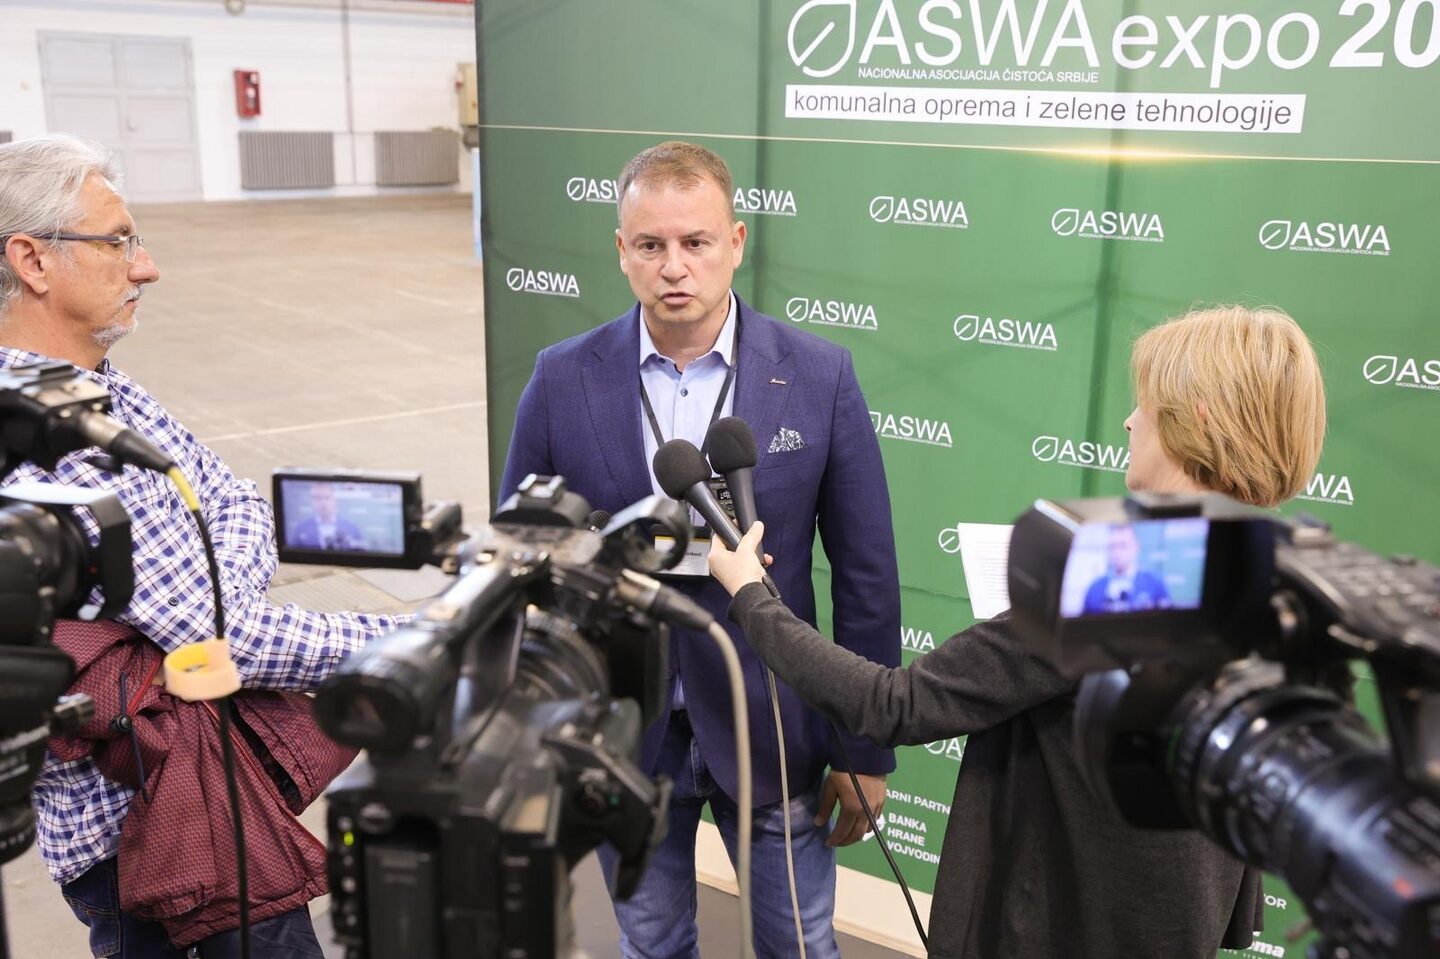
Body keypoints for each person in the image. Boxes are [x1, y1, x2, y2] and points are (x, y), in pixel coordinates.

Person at [710, 305, 1327, 959]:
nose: (1129, 421)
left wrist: (752, 596)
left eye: (1145, 404)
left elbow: (894, 704)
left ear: (1195, 420)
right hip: (1174, 921)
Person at [0, 134, 402, 957]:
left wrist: (208, 607)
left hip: (210, 794)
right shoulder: (33, 438)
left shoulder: (99, 387)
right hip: (147, 839)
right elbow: (229, 636)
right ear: (32, 260)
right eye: (118, 241)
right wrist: (414, 639)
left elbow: (233, 500)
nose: (145, 267)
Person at [499, 141, 901, 959]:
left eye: (696, 242)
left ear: (737, 242)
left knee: (800, 943)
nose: (674, 266)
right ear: (622, 250)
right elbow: (521, 560)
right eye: (651, 244)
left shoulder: (819, 375)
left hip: (774, 724)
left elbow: (866, 574)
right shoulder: (561, 377)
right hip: (623, 733)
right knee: (651, 942)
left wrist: (864, 749)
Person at [1080, 524, 1171, 613]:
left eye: (1122, 546)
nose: (1117, 553)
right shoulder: (1095, 588)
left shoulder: (1155, 583)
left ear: (1136, 546)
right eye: (1112, 547)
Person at [288, 481, 367, 551]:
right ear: (312, 501)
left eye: (327, 497)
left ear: (334, 500)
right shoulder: (300, 529)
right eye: (317, 498)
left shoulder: (352, 528)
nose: (323, 502)